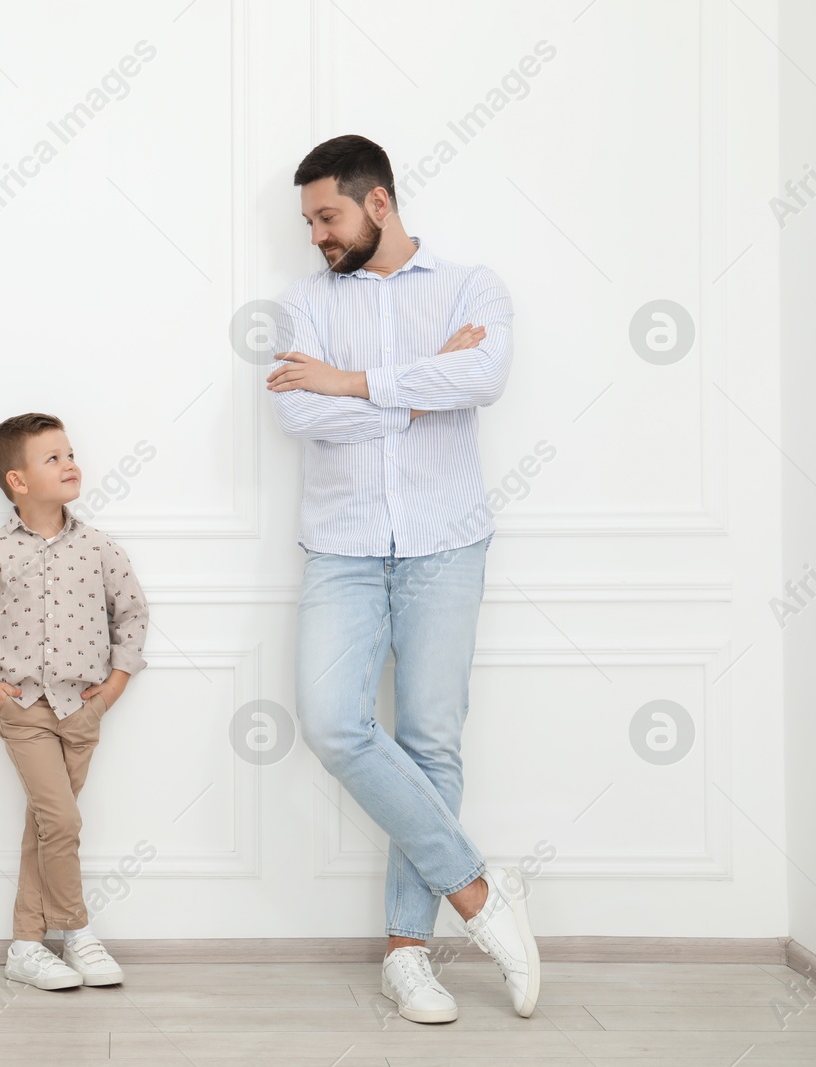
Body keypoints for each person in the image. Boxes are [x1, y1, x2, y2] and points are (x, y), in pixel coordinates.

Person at [265, 134, 540, 1023]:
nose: (316, 233)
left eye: (327, 215)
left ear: (377, 202)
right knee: (333, 721)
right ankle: (478, 892)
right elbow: (298, 411)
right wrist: (418, 393)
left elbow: (486, 374)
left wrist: (353, 383)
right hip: (341, 545)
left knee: (431, 740)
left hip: (445, 539)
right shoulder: (304, 304)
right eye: (309, 220)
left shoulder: (471, 287)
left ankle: (408, 950)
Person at [0, 412, 149, 990]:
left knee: (45, 825)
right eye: (52, 457)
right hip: (24, 710)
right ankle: (77, 932)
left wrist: (113, 687)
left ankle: (26, 946)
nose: (70, 464)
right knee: (61, 820)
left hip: (82, 709)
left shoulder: (100, 549)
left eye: (70, 453)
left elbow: (132, 615)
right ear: (18, 480)